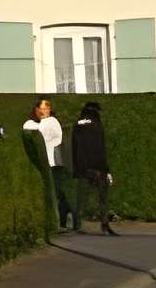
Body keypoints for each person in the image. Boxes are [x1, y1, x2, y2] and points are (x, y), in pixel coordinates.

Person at [22, 96, 73, 232]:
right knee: (56, 191)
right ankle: (65, 217)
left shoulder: (51, 122)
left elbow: (43, 134)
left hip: (54, 162)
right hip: (49, 162)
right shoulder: (36, 123)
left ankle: (63, 220)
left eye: (46, 108)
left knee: (57, 191)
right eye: (40, 108)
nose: (43, 111)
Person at [70, 101, 117, 237]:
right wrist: (105, 168)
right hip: (97, 166)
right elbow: (100, 148)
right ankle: (104, 225)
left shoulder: (78, 123)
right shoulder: (96, 124)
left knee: (81, 197)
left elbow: (76, 147)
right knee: (103, 197)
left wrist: (77, 168)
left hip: (83, 167)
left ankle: (77, 224)